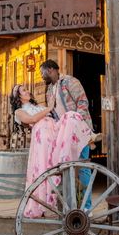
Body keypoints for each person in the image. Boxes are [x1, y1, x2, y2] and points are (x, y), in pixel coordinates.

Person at [10, 84, 94, 218]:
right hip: (42, 136)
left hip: (53, 128)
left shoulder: (38, 107)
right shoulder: (19, 111)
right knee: (44, 168)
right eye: (24, 90)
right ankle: (45, 201)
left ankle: (88, 135)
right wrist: (49, 107)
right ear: (18, 97)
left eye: (27, 89)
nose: (28, 91)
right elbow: (31, 119)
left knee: (71, 115)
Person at [39, 59, 98, 208]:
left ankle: (86, 206)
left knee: (83, 166)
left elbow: (82, 102)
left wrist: (77, 124)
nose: (41, 76)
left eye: (42, 72)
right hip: (63, 135)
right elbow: (54, 113)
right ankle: (70, 205)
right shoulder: (49, 90)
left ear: (51, 69)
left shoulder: (70, 81)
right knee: (65, 168)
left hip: (79, 130)